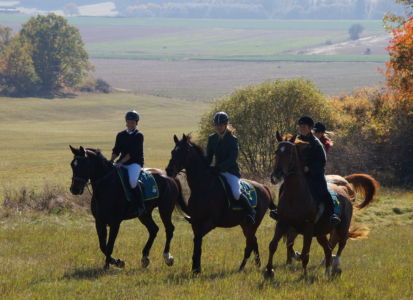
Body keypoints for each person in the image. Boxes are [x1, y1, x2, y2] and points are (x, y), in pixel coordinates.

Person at [206, 112, 256, 224]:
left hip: (230, 172)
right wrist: (205, 167)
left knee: (236, 193)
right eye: (217, 125)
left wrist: (219, 167)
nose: (218, 127)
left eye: (221, 125)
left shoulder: (232, 139)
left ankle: (251, 211)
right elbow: (209, 157)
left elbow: (232, 159)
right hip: (216, 171)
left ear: (226, 124)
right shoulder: (212, 138)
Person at [297, 116, 340, 225]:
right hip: (299, 174)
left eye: (304, 126)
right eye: (300, 126)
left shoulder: (317, 143)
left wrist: (309, 168)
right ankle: (280, 210)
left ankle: (333, 214)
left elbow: (322, 161)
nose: (301, 128)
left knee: (324, 191)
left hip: (315, 175)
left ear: (310, 128)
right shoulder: (296, 140)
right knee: (285, 186)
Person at [110, 110, 145, 218]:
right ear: (126, 122)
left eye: (133, 122)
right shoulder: (120, 135)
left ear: (136, 123)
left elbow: (132, 153)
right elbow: (116, 150)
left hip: (135, 163)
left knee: (132, 181)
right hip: (121, 162)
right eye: (129, 121)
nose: (131, 124)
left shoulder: (139, 135)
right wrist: (110, 161)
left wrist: (120, 162)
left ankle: (139, 205)